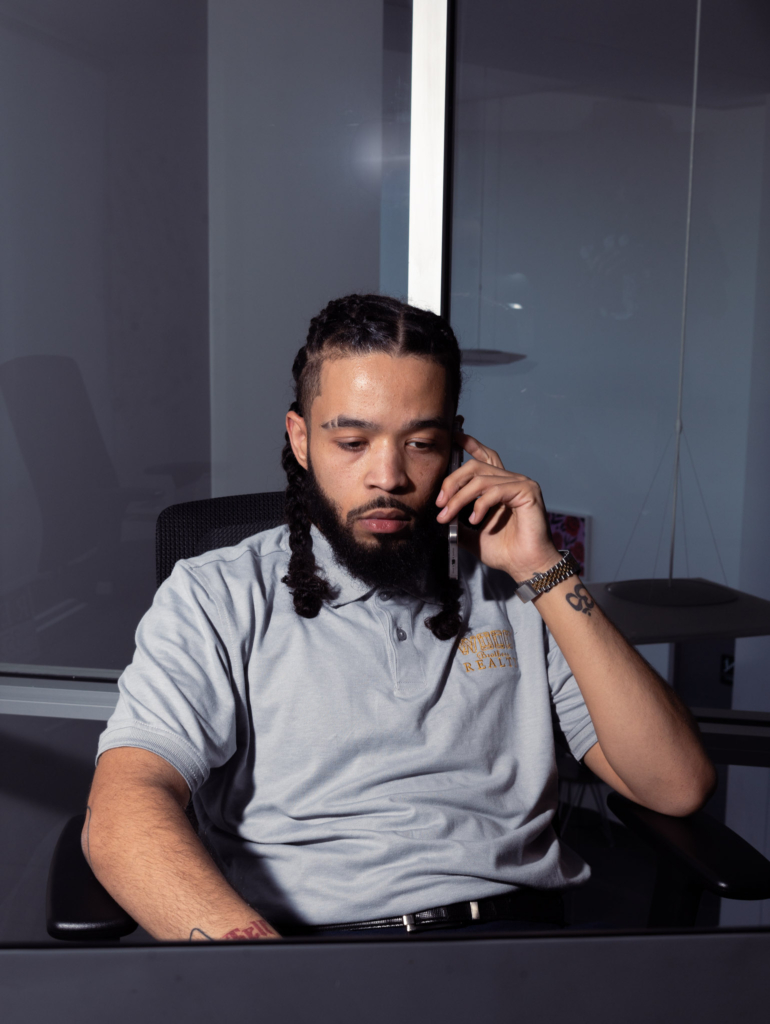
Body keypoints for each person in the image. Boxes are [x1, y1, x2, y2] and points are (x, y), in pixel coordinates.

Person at [84, 295, 715, 941]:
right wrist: (257, 977)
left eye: (420, 443)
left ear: (457, 447)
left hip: (512, 943)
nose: (387, 476)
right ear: (301, 439)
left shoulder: (515, 588)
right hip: (304, 955)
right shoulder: (216, 594)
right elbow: (126, 806)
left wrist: (542, 569)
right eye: (352, 441)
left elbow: (674, 787)